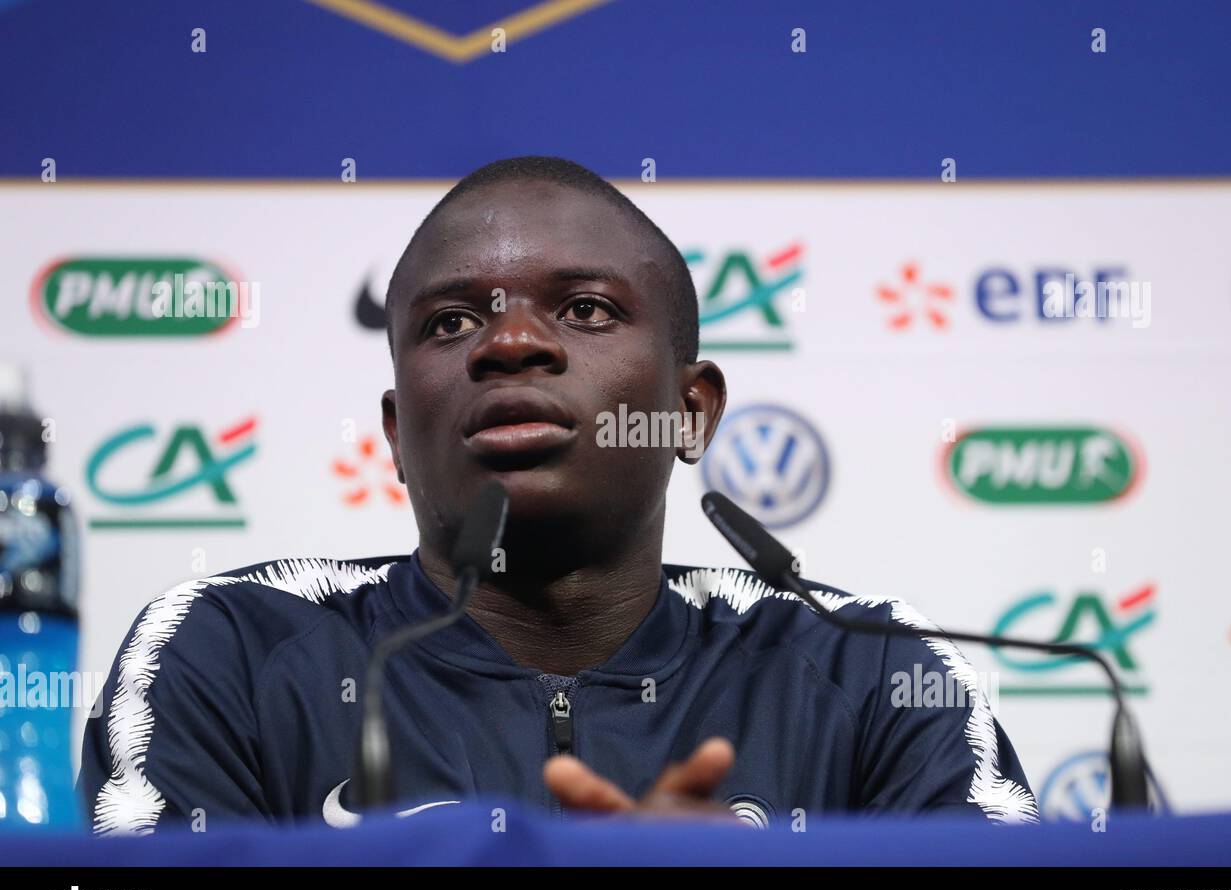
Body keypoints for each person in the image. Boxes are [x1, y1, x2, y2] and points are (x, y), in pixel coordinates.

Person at [79, 156, 1037, 833]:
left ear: (691, 410)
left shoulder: (867, 671)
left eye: (585, 310)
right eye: (451, 321)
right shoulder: (231, 651)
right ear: (396, 435)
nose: (508, 344)